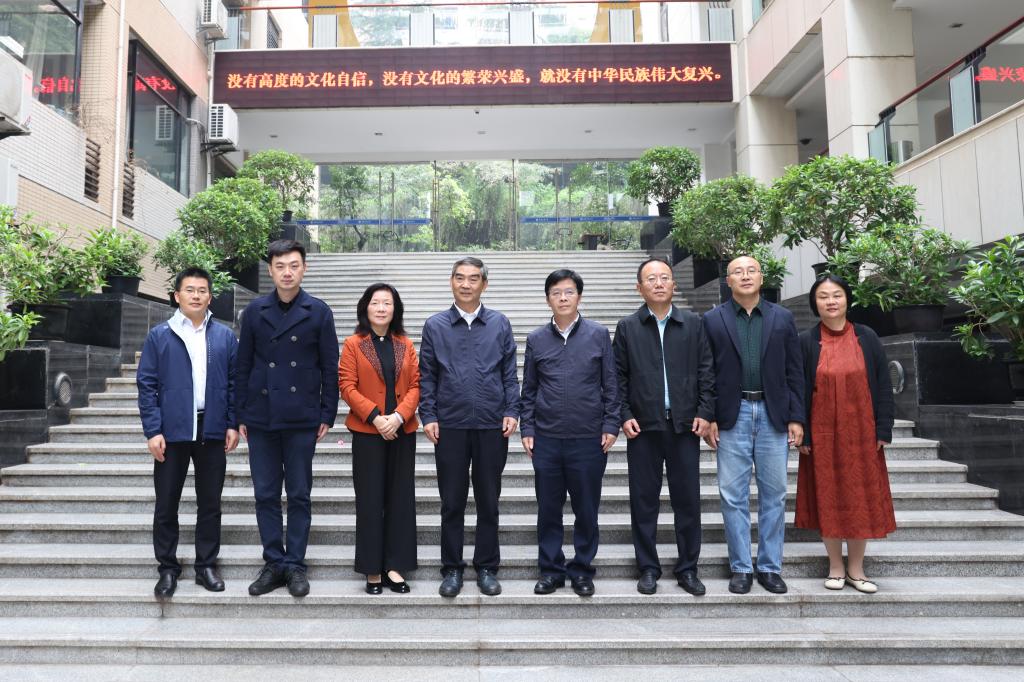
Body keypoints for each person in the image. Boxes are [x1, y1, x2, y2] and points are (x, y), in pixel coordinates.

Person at [236, 239, 340, 598]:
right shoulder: (254, 311)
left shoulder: (319, 312)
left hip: (302, 417)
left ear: (304, 268)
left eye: (294, 265)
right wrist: (240, 413)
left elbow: (330, 367)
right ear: (270, 270)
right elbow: (243, 365)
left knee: (298, 493)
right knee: (265, 493)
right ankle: (273, 562)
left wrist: (327, 413)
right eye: (280, 266)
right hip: (261, 415)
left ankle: (295, 564)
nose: (287, 272)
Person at [703, 255, 805, 595]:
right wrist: (710, 415)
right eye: (737, 272)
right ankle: (741, 567)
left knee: (774, 494)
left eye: (751, 271)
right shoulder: (712, 320)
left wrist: (796, 416)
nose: (745, 276)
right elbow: (706, 373)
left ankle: (770, 567)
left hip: (773, 414)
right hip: (733, 415)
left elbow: (795, 371)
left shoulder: (782, 318)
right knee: (732, 495)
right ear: (727, 280)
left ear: (761, 278)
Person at [613, 257, 715, 596]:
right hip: (643, 428)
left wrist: (705, 411)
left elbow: (707, 370)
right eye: (651, 279)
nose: (658, 283)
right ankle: (648, 567)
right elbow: (617, 377)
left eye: (664, 277)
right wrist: (624, 414)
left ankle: (688, 569)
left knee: (687, 501)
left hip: (685, 426)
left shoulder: (694, 323)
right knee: (644, 501)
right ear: (639, 288)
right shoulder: (628, 327)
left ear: (674, 284)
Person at [419, 256, 520, 598]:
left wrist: (512, 409)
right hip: (450, 424)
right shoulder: (435, 325)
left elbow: (509, 372)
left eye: (473, 278)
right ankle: (452, 568)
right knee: (452, 501)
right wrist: (429, 415)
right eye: (460, 277)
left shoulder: (499, 323)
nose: (466, 284)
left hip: (492, 424)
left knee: (489, 499)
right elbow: (427, 375)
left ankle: (487, 567)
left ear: (484, 284)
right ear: (451, 282)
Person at [137, 268, 239, 598]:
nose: (196, 295)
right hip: (172, 431)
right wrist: (153, 430)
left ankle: (205, 566)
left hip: (212, 429)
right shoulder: (160, 336)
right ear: (176, 295)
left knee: (210, 503)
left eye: (202, 290)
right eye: (190, 289)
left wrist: (232, 423)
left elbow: (235, 384)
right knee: (167, 502)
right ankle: (167, 568)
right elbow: (147, 385)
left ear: (210, 296)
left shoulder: (224, 337)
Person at [521, 269, 619, 598]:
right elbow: (529, 389)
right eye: (556, 293)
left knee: (586, 509)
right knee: (548, 509)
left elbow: (611, 384)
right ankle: (551, 571)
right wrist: (527, 427)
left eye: (569, 292)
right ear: (547, 299)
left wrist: (611, 424)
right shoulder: (536, 339)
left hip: (588, 439)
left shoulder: (598, 335)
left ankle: (582, 570)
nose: (563, 298)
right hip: (547, 439)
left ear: (579, 296)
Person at [796, 274, 896, 593]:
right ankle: (835, 567)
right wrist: (803, 433)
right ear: (815, 303)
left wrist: (884, 427)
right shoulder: (806, 341)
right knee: (827, 497)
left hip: (862, 433)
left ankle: (856, 569)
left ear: (847, 299)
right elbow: (798, 389)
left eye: (837, 295)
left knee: (860, 498)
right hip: (822, 434)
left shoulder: (867, 337)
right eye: (823, 296)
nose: (831, 301)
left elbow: (883, 384)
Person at [338, 283, 420, 594]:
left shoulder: (405, 344)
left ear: (395, 309)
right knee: (370, 500)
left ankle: (395, 566)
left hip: (402, 431)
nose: (382, 308)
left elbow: (416, 385)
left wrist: (398, 417)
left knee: (401, 499)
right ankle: (372, 569)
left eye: (387, 303)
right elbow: (347, 385)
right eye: (376, 302)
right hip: (367, 433)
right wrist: (375, 417)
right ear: (366, 307)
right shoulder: (353, 344)